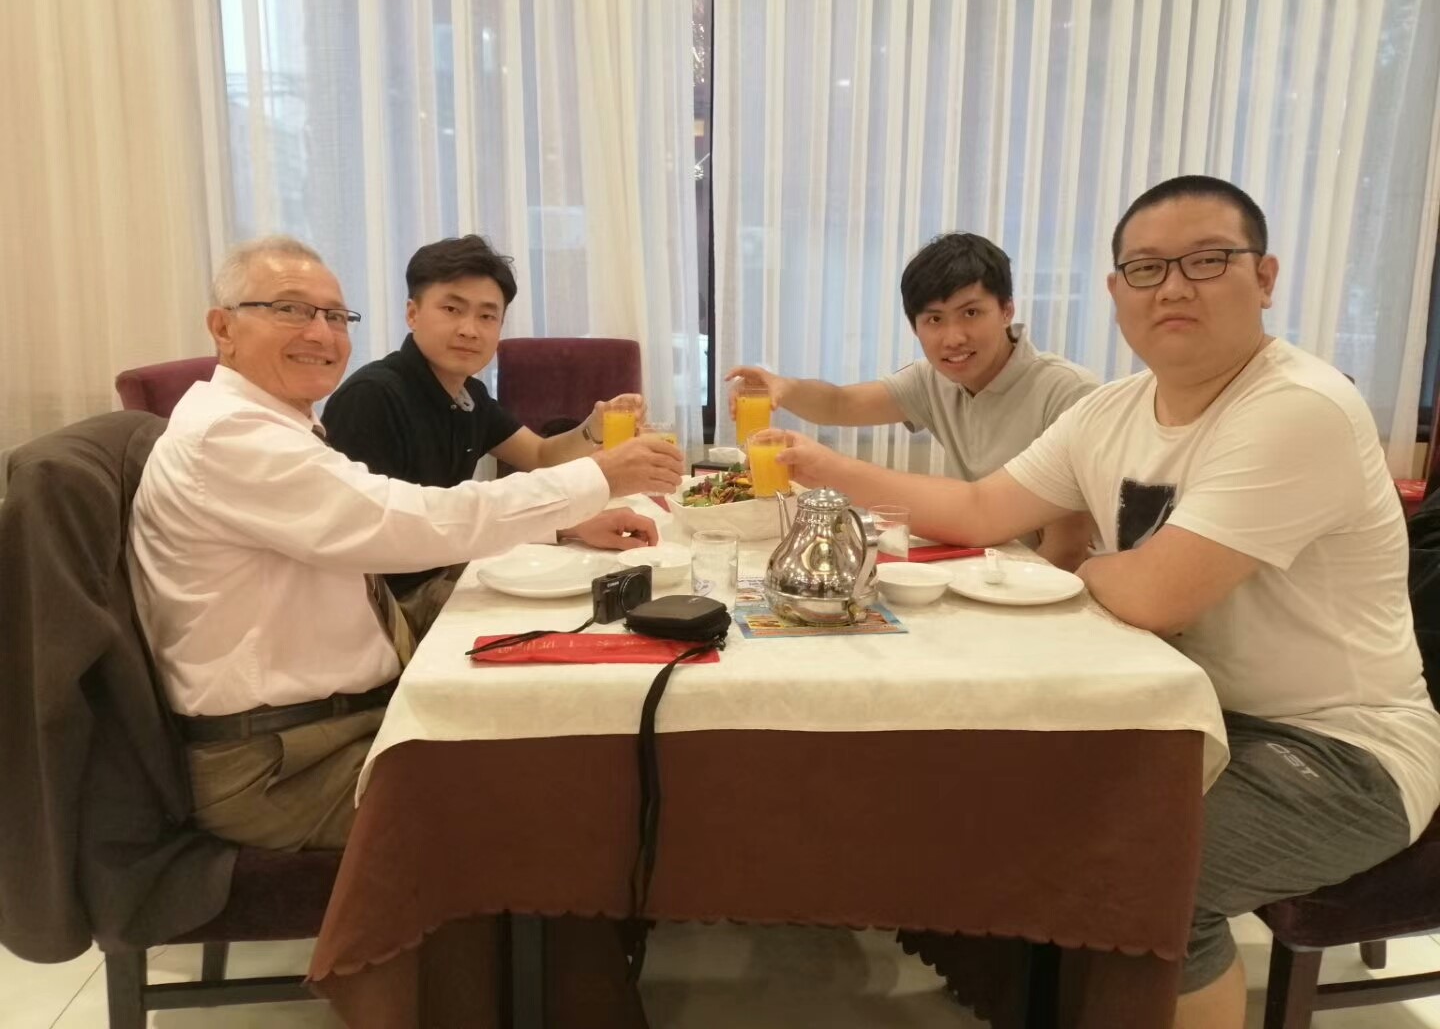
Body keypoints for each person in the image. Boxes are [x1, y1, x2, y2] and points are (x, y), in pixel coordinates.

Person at [774, 176, 1440, 1029]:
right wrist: (825, 469)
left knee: (1156, 878)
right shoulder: (1113, 410)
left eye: (1207, 261)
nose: (1174, 287)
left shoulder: (1298, 406)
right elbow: (980, 509)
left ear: (1265, 277)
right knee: (989, 794)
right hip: (1181, 711)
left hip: (1341, 750)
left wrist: (1083, 571)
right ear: (1116, 289)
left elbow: (1157, 595)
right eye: (1148, 268)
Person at [129, 235, 683, 853]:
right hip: (281, 762)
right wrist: (598, 478)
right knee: (556, 791)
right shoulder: (235, 437)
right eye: (289, 309)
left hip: (328, 715)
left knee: (563, 700)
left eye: (335, 316)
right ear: (222, 328)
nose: (319, 333)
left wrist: (568, 518)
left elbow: (409, 516)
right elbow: (405, 524)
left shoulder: (283, 422)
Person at [323, 234, 658, 631]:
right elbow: (387, 539)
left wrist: (593, 429)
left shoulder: (467, 394)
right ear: (412, 313)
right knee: (576, 615)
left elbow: (540, 456)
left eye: (487, 316)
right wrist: (578, 505)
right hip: (389, 606)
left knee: (614, 593)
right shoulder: (373, 397)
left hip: (448, 567)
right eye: (452, 309)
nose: (469, 329)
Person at [726, 232, 1099, 569]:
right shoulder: (933, 379)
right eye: (934, 320)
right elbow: (841, 404)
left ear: (1007, 310)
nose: (953, 338)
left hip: (1038, 583)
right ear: (915, 326)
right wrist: (785, 387)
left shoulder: (1067, 392)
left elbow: (1067, 548)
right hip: (976, 565)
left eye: (971, 313)